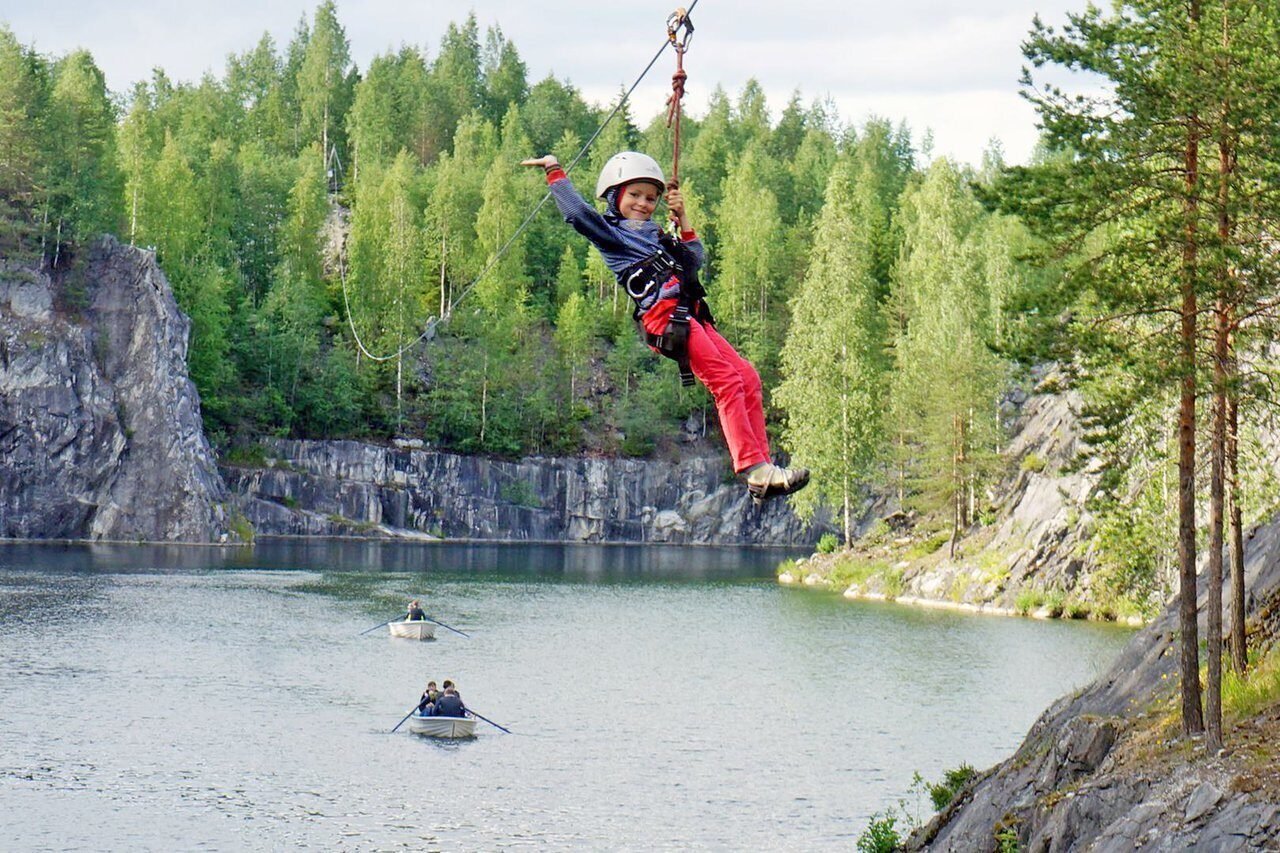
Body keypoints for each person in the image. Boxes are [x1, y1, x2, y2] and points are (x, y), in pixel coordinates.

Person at [522, 151, 809, 504]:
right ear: (615, 196)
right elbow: (578, 214)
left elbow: (694, 260)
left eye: (650, 198)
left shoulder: (657, 234)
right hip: (667, 319)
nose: (643, 204)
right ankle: (753, 468)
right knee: (726, 382)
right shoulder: (612, 235)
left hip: (689, 314)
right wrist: (554, 170)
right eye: (635, 195)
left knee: (747, 376)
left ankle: (763, 469)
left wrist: (683, 218)